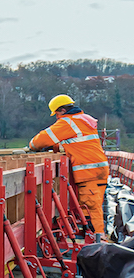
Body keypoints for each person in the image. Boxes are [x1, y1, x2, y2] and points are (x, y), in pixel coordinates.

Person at [28, 94, 110, 238]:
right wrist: (55, 147)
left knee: (91, 206)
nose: (57, 118)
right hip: (95, 169)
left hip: (90, 171)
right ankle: (94, 238)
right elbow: (76, 143)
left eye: (57, 114)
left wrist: (33, 146)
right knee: (92, 205)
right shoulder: (81, 120)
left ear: (63, 110)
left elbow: (40, 140)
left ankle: (97, 241)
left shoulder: (68, 122)